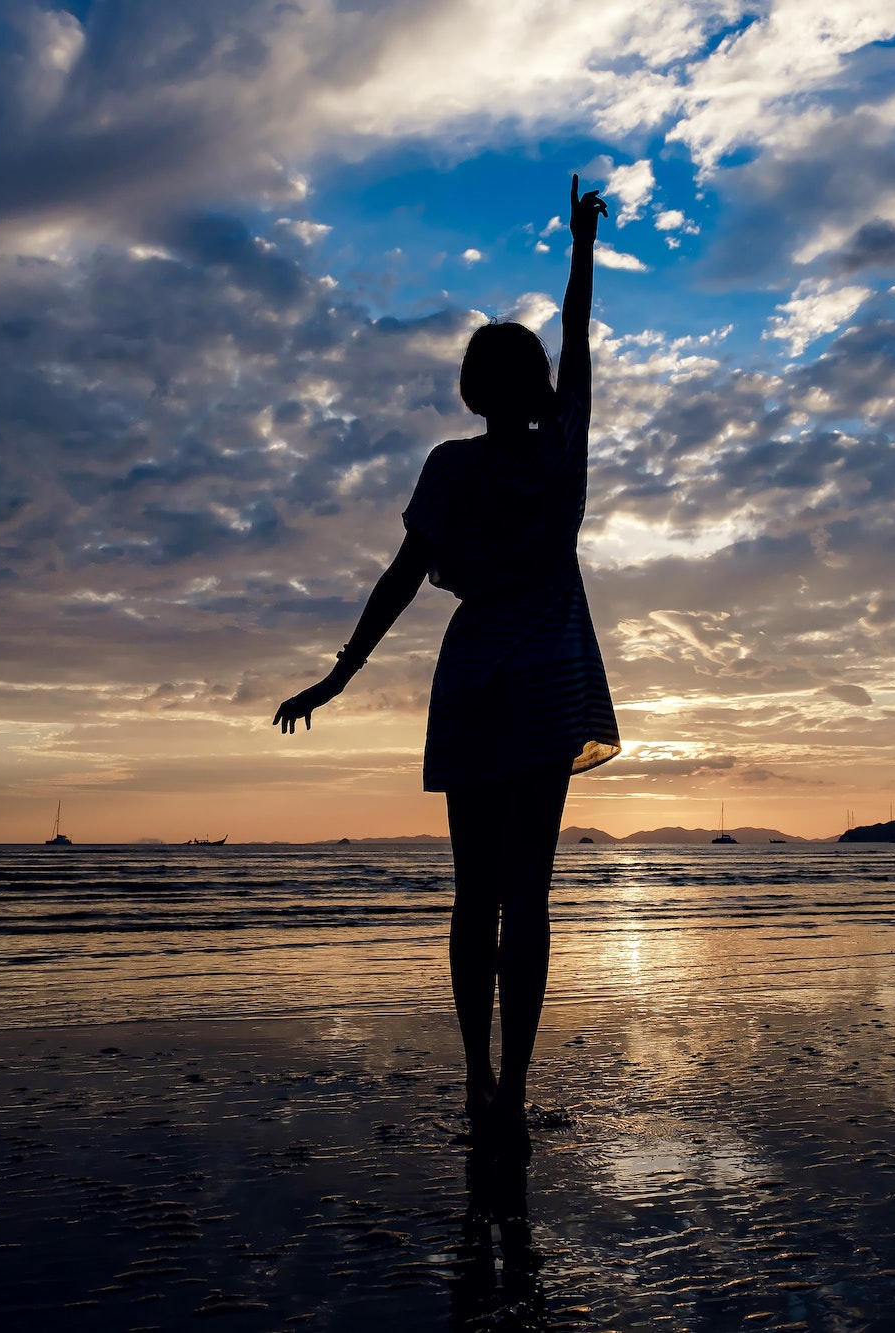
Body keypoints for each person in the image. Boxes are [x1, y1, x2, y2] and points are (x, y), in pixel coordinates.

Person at [274, 175, 622, 1153]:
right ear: (540, 385)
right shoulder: (563, 448)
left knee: (475, 896)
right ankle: (512, 1087)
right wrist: (580, 241)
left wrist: (337, 676)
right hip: (547, 679)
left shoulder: (448, 467)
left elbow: (396, 579)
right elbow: (580, 329)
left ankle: (473, 1078)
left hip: (472, 681)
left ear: (473, 389)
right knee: (529, 896)